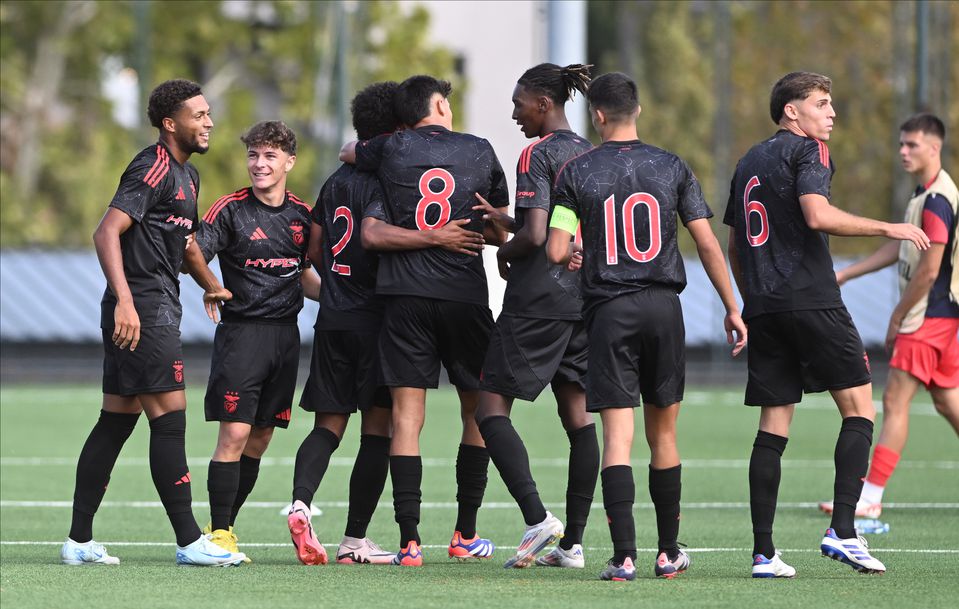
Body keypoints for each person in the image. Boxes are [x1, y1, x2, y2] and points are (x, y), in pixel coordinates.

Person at [724, 71, 930, 577]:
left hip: (765, 306)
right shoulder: (809, 151)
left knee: (773, 423)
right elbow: (816, 214)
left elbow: (736, 244)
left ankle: (764, 554)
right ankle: (843, 531)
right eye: (821, 103)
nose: (831, 112)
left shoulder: (749, 159)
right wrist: (889, 226)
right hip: (811, 299)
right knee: (860, 408)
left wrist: (752, 301)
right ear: (792, 111)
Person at [546, 72, 747, 581]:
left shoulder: (577, 170)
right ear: (638, 110)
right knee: (665, 435)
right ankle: (667, 552)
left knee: (618, 437)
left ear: (597, 116)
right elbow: (705, 242)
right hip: (663, 307)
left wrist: (577, 252)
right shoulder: (670, 166)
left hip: (610, 312)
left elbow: (553, 249)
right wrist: (732, 305)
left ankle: (623, 556)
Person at [285, 81, 485, 566]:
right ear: (398, 129)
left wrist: (336, 284)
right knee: (378, 429)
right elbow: (385, 237)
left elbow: (313, 249)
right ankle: (355, 539)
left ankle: (299, 502)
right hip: (380, 318)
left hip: (333, 318)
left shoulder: (335, 181)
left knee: (327, 424)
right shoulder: (390, 178)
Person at [62, 79, 246, 566]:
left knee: (115, 422)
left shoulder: (188, 176)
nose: (208, 121)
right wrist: (125, 302)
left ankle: (78, 542)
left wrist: (210, 281)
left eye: (209, 113)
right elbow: (106, 232)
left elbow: (184, 243)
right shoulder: (155, 164)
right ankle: (190, 541)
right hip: (143, 309)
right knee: (169, 422)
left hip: (151, 306)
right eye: (199, 114)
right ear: (170, 124)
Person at [343, 74, 510, 566]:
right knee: (478, 410)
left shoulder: (391, 147)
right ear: (438, 104)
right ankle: (465, 533)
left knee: (405, 419)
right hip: (463, 294)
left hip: (403, 296)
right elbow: (500, 226)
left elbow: (349, 152)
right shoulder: (479, 149)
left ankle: (410, 542)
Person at [469, 63, 599, 570]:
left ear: (544, 104)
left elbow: (538, 236)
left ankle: (537, 517)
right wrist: (508, 219)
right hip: (584, 300)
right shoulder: (591, 153)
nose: (515, 113)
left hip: (538, 300)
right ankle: (574, 546)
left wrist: (504, 251)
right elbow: (570, 227)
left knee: (490, 409)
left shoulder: (537, 153)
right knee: (578, 416)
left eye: (520, 103)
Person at [182, 120, 317, 562]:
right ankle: (219, 533)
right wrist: (211, 284)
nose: (259, 165)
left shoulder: (303, 215)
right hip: (242, 335)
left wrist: (342, 299)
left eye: (269, 156)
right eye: (253, 156)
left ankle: (224, 525)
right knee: (235, 434)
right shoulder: (231, 209)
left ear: (289, 162)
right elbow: (191, 250)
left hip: (285, 339)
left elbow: (305, 275)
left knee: (259, 438)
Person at [818, 113, 958, 519]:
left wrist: (897, 317)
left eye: (911, 144)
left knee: (895, 402)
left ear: (934, 147)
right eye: (901, 143)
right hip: (939, 317)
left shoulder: (937, 200)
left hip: (926, 317)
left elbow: (930, 269)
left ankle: (870, 496)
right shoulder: (924, 194)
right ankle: (870, 495)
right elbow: (903, 249)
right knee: (949, 403)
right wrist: (847, 273)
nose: (903, 151)